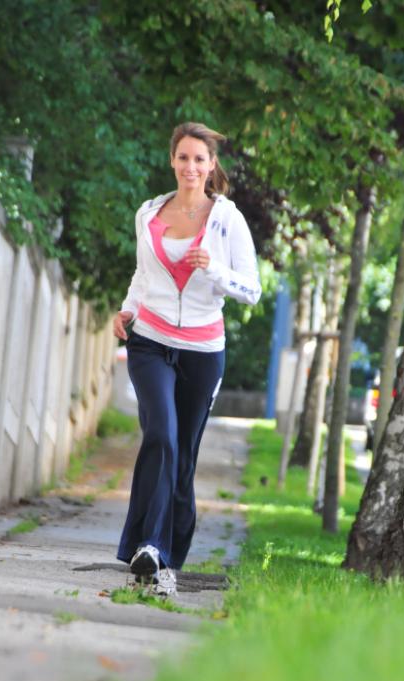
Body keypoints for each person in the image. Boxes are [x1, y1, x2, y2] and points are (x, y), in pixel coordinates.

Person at [112, 122, 261, 596]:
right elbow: (142, 272)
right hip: (150, 340)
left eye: (200, 159)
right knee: (162, 433)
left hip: (202, 350)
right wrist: (128, 308)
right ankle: (149, 547)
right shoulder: (149, 213)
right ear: (172, 161)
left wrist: (214, 270)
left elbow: (252, 291)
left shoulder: (228, 220)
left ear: (211, 165)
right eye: (183, 157)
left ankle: (164, 555)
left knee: (183, 454)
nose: (191, 167)